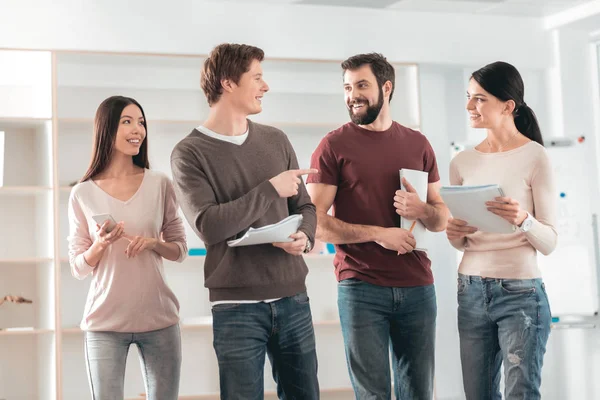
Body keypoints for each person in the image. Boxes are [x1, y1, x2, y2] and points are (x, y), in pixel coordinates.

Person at [170, 43, 319, 399]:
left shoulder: (276, 139)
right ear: (228, 83)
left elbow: (306, 208)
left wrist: (305, 238)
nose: (265, 86)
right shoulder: (188, 153)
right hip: (236, 306)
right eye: (257, 77)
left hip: (293, 296)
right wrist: (269, 189)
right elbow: (208, 224)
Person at [307, 53, 449, 399]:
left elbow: (442, 217)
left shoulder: (418, 144)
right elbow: (315, 222)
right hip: (361, 287)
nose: (351, 95)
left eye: (361, 85)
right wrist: (378, 234)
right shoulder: (333, 145)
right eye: (346, 87)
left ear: (386, 87)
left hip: (417, 286)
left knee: (418, 393)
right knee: (373, 394)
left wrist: (422, 209)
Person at [446, 61, 557, 400]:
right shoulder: (461, 162)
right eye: (469, 97)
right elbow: (461, 242)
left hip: (520, 293)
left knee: (520, 394)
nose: (469, 106)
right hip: (471, 289)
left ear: (508, 106)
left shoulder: (536, 156)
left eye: (479, 99)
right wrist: (455, 230)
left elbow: (550, 241)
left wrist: (523, 218)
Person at [67, 95, 187, 400]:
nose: (138, 129)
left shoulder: (160, 183)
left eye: (141, 122)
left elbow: (180, 249)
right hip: (104, 323)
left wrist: (154, 244)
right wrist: (99, 244)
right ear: (107, 129)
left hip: (160, 319)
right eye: (127, 121)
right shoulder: (82, 193)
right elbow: (78, 267)